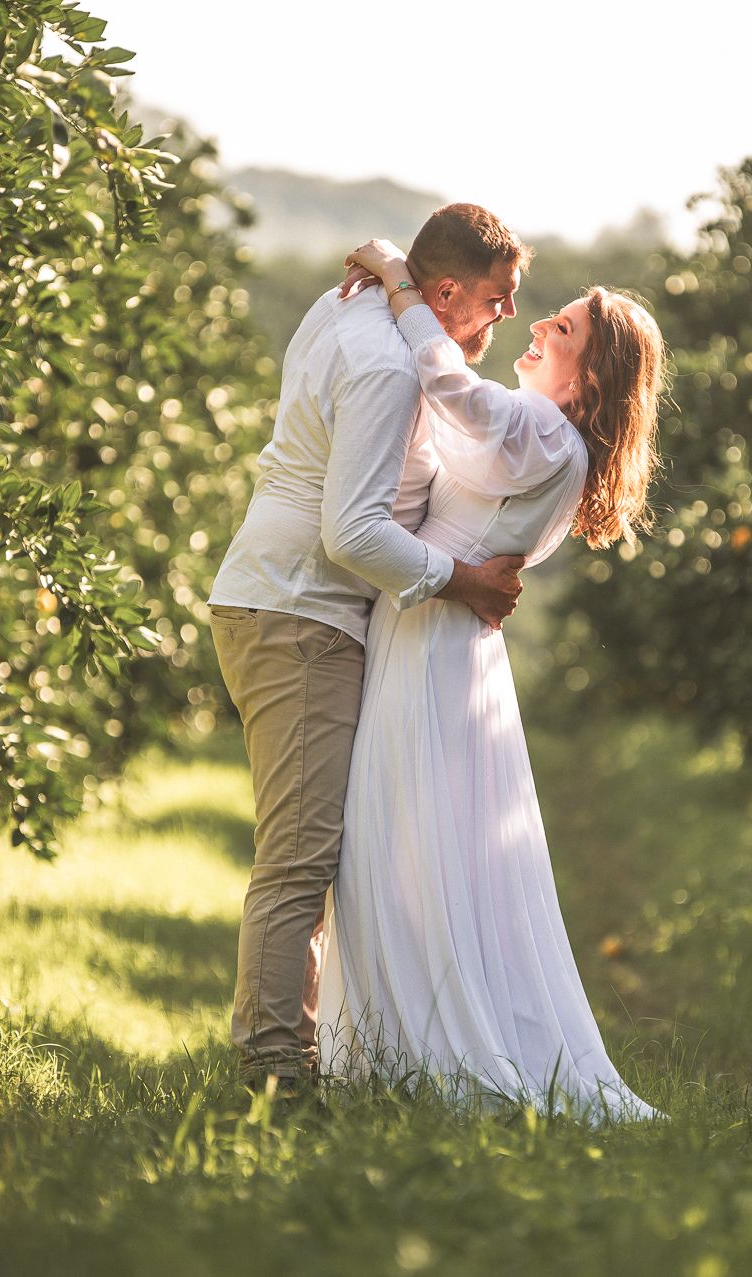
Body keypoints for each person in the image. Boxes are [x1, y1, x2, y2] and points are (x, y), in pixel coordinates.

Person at [314, 237, 666, 1123]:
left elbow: (446, 384)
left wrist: (402, 286)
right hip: (436, 636)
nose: (542, 322)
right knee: (413, 844)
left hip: (434, 641)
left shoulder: (543, 431)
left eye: (567, 327)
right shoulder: (541, 435)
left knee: (400, 844)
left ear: (587, 380)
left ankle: (419, 1048)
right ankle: (395, 1040)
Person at [206, 204, 534, 1094]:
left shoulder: (344, 307)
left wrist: (392, 273)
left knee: (308, 849)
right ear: (445, 291)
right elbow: (351, 533)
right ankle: (276, 1077)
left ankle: (302, 1060)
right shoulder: (391, 367)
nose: (503, 317)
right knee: (300, 857)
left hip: (269, 599)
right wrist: (462, 578)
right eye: (496, 301)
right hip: (300, 615)